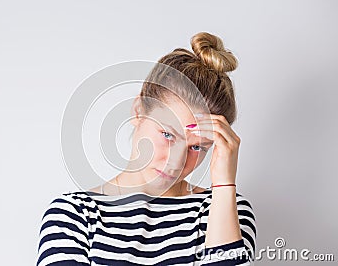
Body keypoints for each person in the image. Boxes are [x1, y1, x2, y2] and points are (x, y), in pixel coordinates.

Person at [36, 32, 257, 265]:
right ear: (139, 111)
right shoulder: (74, 215)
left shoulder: (226, 209)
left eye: (198, 147)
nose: (177, 161)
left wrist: (224, 185)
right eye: (167, 134)